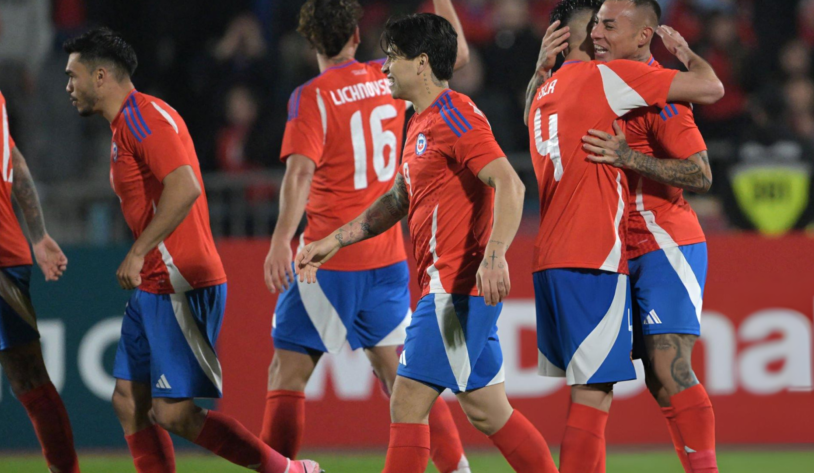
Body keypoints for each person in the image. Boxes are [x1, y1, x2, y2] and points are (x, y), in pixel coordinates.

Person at [296, 13, 559, 473]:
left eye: (393, 58)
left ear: (420, 64)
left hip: (456, 293)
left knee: (407, 402)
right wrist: (334, 239)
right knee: (487, 410)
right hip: (457, 292)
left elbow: (510, 184)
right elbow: (399, 198)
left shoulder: (454, 115)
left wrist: (495, 256)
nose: (384, 68)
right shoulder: (421, 121)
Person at [63, 28, 321, 473]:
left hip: (179, 278)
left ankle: (291, 471)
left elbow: (185, 187)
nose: (68, 86)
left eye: (74, 76)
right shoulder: (126, 125)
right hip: (154, 282)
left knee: (174, 413)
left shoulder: (144, 119)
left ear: (101, 76)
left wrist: (139, 249)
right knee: (128, 401)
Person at [262, 1, 471, 472]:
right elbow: (454, 58)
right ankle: (458, 469)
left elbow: (299, 174)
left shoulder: (311, 95)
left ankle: (279, 470)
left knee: (288, 375)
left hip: (327, 259)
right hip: (385, 257)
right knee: (403, 378)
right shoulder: (388, 75)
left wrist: (280, 239)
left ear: (310, 42)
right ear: (357, 35)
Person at [525, 0, 723, 471]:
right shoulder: (592, 79)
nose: (597, 34)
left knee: (667, 371)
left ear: (641, 36)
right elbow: (543, 115)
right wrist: (541, 70)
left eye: (608, 27)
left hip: (661, 239)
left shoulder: (658, 91)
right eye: (595, 25)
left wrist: (630, 158)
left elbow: (701, 174)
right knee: (604, 383)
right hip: (607, 244)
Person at [0, 82, 79, 472]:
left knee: (27, 376)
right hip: (6, 251)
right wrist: (39, 235)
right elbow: (15, 158)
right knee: (28, 378)